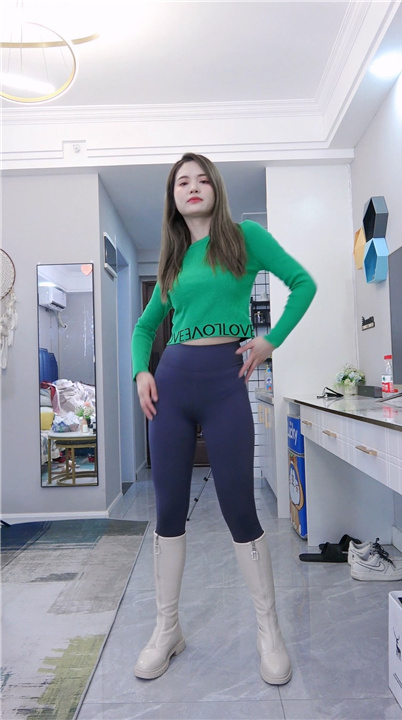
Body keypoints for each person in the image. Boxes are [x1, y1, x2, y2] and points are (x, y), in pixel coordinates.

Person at [131, 152, 316, 685]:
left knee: (238, 506)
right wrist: (141, 371)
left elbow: (303, 283)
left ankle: (268, 631)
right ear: (173, 198)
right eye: (181, 182)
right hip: (171, 386)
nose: (191, 187)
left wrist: (270, 341)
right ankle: (167, 630)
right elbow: (145, 328)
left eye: (201, 179)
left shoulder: (244, 238)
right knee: (169, 510)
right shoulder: (172, 262)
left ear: (215, 187)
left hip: (224, 384)